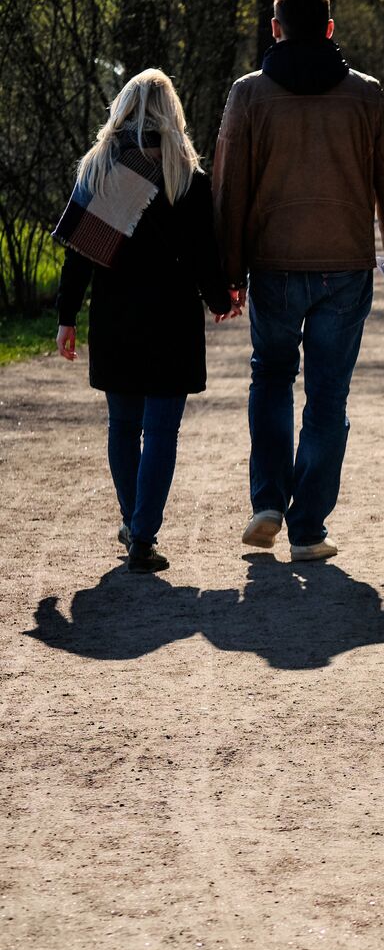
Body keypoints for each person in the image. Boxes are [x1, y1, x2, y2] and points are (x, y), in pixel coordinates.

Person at [212, 0, 384, 562]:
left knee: (271, 379)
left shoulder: (248, 94)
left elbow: (229, 188)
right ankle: (307, 530)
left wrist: (228, 270)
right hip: (345, 268)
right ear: (329, 29)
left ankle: (269, 502)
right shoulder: (365, 95)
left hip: (272, 265)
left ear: (275, 28)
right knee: (328, 397)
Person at [52, 69, 235, 574]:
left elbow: (78, 257)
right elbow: (204, 256)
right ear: (171, 114)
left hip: (116, 319)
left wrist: (67, 317)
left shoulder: (102, 171)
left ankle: (134, 523)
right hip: (172, 320)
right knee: (160, 433)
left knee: (124, 425)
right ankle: (143, 535)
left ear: (123, 110)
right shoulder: (188, 179)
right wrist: (222, 298)